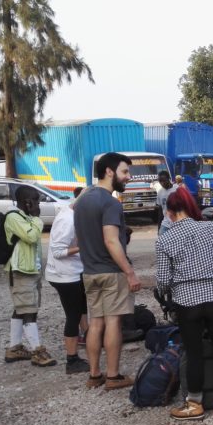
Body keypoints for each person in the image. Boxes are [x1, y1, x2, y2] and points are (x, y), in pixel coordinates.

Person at [155, 187, 213, 420]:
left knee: (194, 352)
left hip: (187, 303)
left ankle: (194, 403)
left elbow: (163, 281)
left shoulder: (165, 239)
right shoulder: (209, 228)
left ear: (170, 212)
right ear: (190, 208)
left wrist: (168, 291)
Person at [74, 152, 140, 391]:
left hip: (89, 272)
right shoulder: (110, 202)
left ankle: (94, 374)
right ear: (109, 172)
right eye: (125, 172)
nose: (128, 177)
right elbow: (111, 240)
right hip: (111, 272)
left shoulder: (82, 199)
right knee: (113, 322)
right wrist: (129, 272)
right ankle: (113, 376)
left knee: (96, 322)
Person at [2, 185, 56, 367]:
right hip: (21, 271)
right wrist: (37, 218)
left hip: (29, 270)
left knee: (21, 309)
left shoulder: (25, 218)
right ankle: (37, 351)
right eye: (36, 201)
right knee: (29, 311)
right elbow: (31, 237)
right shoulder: (14, 217)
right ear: (27, 202)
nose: (38, 204)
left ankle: (14, 347)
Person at [46, 190, 90, 374]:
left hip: (74, 271)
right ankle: (71, 359)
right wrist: (84, 246)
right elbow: (57, 251)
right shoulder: (67, 220)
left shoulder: (73, 213)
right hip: (63, 276)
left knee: (82, 308)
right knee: (72, 314)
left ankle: (89, 338)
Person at [154, 170, 177, 235]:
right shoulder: (160, 193)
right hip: (166, 223)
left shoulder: (177, 189)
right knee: (161, 239)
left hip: (178, 222)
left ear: (169, 179)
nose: (162, 183)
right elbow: (160, 211)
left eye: (164, 180)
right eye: (160, 181)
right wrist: (159, 227)